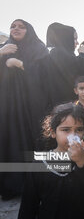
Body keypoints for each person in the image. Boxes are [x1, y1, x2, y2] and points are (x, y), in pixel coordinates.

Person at [18, 103, 84, 219]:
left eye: (79, 130)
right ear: (53, 132)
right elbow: (28, 206)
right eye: (66, 130)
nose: (73, 136)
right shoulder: (41, 163)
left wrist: (82, 162)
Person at [0, 19, 49, 200]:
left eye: (21, 26)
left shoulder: (38, 48)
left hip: (32, 106)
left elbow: (45, 74)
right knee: (9, 141)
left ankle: (36, 183)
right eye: (13, 26)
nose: (16, 29)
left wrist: (19, 64)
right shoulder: (5, 47)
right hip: (7, 108)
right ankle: (10, 186)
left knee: (32, 140)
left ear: (29, 30)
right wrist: (1, 55)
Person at [46, 22, 84, 108]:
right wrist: (83, 55)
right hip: (64, 105)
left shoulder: (64, 54)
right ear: (66, 39)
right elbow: (75, 71)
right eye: (74, 39)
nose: (77, 43)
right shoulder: (57, 53)